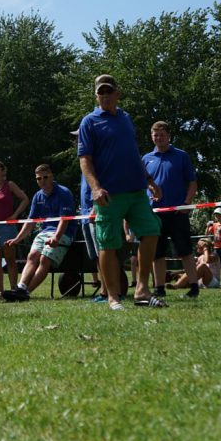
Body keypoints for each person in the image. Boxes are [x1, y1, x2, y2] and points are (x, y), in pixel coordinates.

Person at [77, 75, 163, 311]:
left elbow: (133, 153)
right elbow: (84, 159)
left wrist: (149, 180)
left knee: (151, 231)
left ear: (117, 93)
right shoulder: (89, 122)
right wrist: (95, 188)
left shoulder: (126, 118)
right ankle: (113, 297)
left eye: (109, 91)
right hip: (109, 194)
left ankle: (142, 290)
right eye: (100, 92)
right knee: (108, 244)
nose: (105, 96)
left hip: (136, 191)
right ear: (96, 96)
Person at [143, 120, 200, 300]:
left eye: (162, 135)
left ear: (169, 136)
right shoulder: (146, 159)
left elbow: (192, 182)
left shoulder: (181, 156)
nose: (159, 138)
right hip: (155, 214)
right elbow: (142, 183)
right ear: (151, 137)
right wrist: (150, 190)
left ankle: (194, 287)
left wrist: (186, 204)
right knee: (157, 253)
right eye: (155, 135)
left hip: (177, 213)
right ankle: (159, 288)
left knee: (185, 251)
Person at [2, 165, 77, 300]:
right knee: (32, 256)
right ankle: (20, 288)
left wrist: (56, 237)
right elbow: (31, 221)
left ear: (52, 176)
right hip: (44, 233)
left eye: (45, 177)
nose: (42, 181)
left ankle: (25, 293)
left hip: (63, 233)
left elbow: (64, 220)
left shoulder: (64, 193)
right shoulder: (38, 196)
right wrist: (17, 239)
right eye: (39, 179)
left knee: (44, 259)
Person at [0, 160, 30, 296]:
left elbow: (25, 199)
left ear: (3, 171)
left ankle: (14, 289)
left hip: (7, 227)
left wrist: (15, 215)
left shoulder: (10, 185)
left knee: (10, 259)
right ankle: (0, 291)